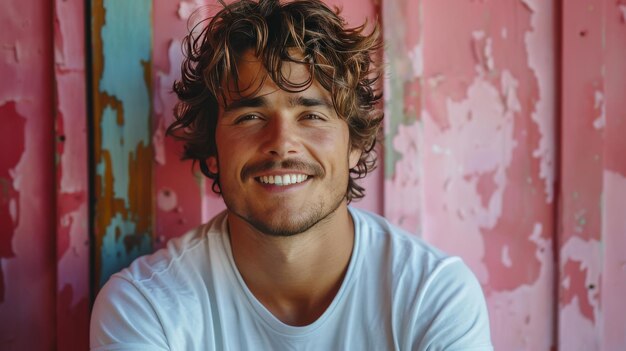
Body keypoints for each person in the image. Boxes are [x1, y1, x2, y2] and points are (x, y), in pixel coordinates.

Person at [90, 0, 493, 350]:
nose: (282, 143)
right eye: (250, 116)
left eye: (312, 115)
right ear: (212, 151)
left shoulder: (433, 296)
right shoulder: (145, 306)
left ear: (354, 144)